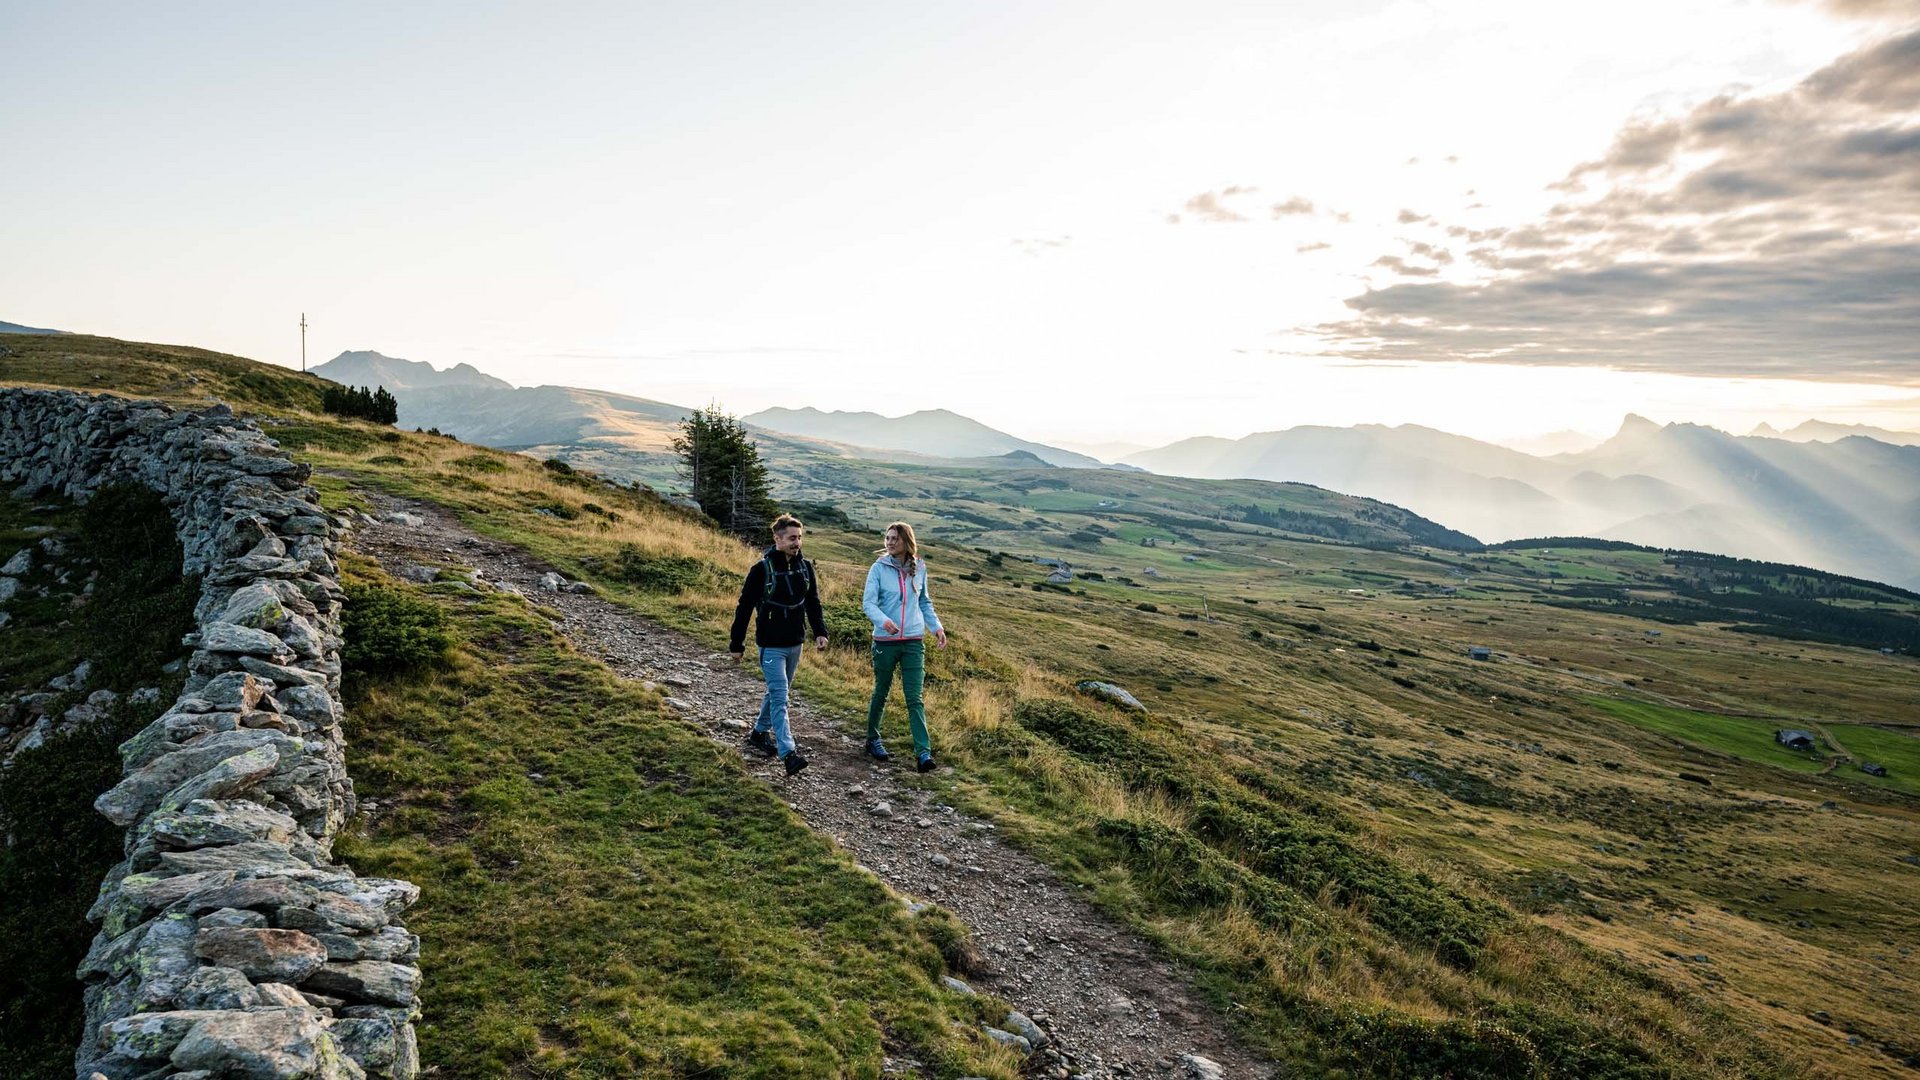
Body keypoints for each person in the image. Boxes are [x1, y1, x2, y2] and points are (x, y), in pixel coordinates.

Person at [729, 513, 828, 777]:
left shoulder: (805, 567)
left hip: (796, 643)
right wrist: (736, 643)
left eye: (800, 537)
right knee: (781, 697)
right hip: (771, 645)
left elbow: (813, 602)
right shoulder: (761, 569)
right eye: (792, 538)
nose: (797, 543)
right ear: (777, 539)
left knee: (776, 694)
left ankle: (758, 733)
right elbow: (744, 608)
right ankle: (789, 753)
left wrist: (820, 632)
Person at [861, 521, 947, 772]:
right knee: (882, 691)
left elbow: (924, 602)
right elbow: (868, 604)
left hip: (913, 641)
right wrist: (883, 621)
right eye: (887, 538)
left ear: (906, 541)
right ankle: (872, 738)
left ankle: (923, 753)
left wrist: (937, 628)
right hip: (884, 641)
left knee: (914, 698)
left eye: (894, 539)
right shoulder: (877, 568)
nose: (889, 543)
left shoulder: (919, 567)